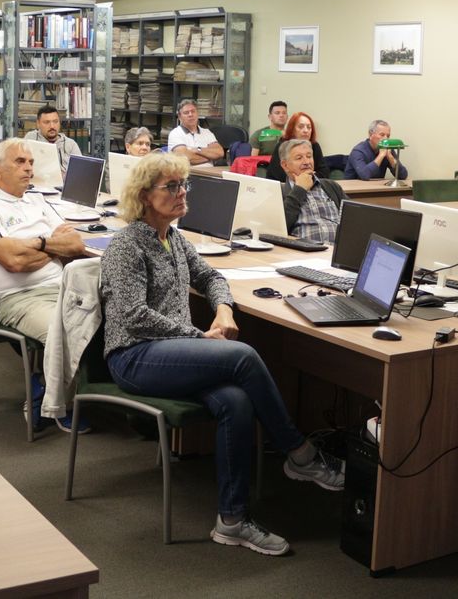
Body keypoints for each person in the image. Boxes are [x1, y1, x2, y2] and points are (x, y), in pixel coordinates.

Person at [101, 152, 344, 556]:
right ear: (145, 196)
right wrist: (199, 334)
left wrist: (224, 308)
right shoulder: (128, 244)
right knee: (243, 356)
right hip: (135, 356)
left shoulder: (173, 238)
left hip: (175, 350)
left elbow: (211, 275)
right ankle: (300, 454)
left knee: (235, 400)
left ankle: (231, 521)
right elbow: (133, 316)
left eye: (184, 186)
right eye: (171, 187)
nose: (182, 194)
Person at [0, 138, 87, 431]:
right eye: (20, 162)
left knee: (111, 318)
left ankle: (58, 388)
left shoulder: (38, 199)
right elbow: (13, 262)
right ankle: (54, 406)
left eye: (31, 162)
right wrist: (51, 249)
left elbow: (74, 243)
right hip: (17, 297)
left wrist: (37, 243)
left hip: (62, 286)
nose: (29, 169)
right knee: (63, 329)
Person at [278, 139, 346, 244]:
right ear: (285, 165)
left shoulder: (331, 186)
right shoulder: (278, 193)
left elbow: (354, 218)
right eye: (299, 158)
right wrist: (299, 189)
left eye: (309, 156)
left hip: (339, 250)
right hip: (304, 253)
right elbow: (278, 228)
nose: (306, 162)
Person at [265, 112, 327, 183]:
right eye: (301, 127)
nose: (306, 130)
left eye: (309, 127)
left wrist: (308, 177)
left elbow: (324, 173)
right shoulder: (283, 146)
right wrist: (305, 177)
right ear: (292, 129)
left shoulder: (314, 145)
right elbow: (279, 175)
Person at [24, 105, 81, 174]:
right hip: (37, 183)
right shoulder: (31, 138)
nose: (52, 126)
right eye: (47, 122)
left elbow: (79, 172)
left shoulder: (71, 144)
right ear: (38, 124)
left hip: (63, 183)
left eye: (55, 121)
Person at [167, 99, 224, 166]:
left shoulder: (207, 132)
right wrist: (210, 157)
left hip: (210, 173)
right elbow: (186, 158)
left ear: (197, 114)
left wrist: (198, 149)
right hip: (187, 174)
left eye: (193, 111)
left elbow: (219, 153)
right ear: (179, 117)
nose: (190, 115)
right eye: (186, 113)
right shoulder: (175, 134)